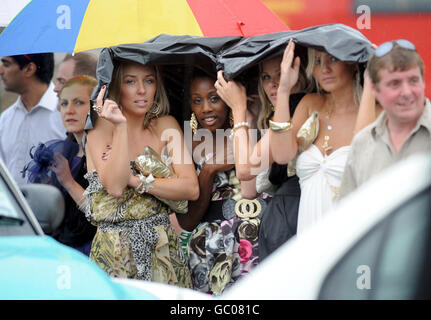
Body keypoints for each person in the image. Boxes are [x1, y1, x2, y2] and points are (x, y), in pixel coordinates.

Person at [83, 59, 198, 286]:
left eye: (149, 80)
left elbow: (191, 188)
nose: (142, 90)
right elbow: (115, 187)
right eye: (130, 81)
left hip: (163, 247)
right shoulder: (99, 129)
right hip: (115, 251)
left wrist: (136, 181)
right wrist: (120, 127)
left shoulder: (166, 125)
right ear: (116, 87)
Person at [265, 39, 368, 235]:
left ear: (353, 63)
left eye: (333, 59)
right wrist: (284, 89)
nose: (324, 69)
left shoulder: (374, 111)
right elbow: (281, 155)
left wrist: (371, 85)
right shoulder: (309, 103)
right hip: (310, 237)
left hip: (353, 235)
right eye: (318, 62)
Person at [215, 50, 310, 259]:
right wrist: (248, 118)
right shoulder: (273, 118)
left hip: (297, 214)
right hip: (283, 216)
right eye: (266, 77)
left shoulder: (301, 105)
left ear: (298, 73)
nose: (273, 84)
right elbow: (249, 190)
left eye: (280, 74)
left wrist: (238, 110)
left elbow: (245, 171)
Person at [175, 69, 263, 295]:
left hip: (250, 240)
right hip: (206, 248)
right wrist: (209, 169)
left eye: (214, 98)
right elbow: (187, 221)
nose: (206, 108)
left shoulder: (250, 130)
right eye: (197, 101)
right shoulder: (188, 146)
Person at [339, 39, 431, 198]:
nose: (407, 92)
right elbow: (348, 214)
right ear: (374, 89)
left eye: (413, 80)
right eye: (395, 84)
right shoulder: (362, 144)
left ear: (423, 82)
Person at [49, 76, 98, 255]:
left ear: (96, 106)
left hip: (95, 251)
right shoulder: (65, 153)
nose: (69, 111)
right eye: (64, 103)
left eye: (78, 103)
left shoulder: (104, 152)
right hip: (64, 250)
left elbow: (101, 212)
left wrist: (68, 182)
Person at [0, 53, 65, 185]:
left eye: (6, 64)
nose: (1, 70)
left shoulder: (66, 116)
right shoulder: (5, 119)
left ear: (29, 69)